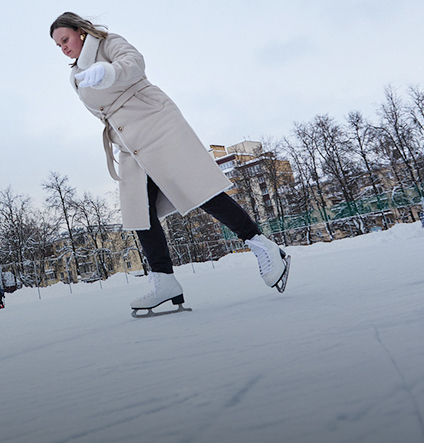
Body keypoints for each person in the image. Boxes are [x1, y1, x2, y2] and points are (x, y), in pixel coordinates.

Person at [50, 12, 290, 313]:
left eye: (65, 40)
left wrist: (108, 72)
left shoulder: (108, 44)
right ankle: (164, 279)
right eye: (58, 46)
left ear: (80, 31)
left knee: (198, 190)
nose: (63, 48)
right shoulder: (75, 74)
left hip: (156, 124)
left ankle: (264, 246)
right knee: (139, 212)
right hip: (128, 142)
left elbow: (134, 63)